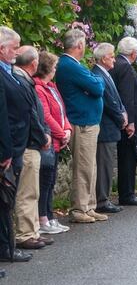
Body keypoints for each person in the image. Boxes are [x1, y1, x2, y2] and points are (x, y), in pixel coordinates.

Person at [56, 29, 107, 224]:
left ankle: (89, 205)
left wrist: (94, 82)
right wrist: (97, 81)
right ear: (79, 45)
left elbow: (94, 86)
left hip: (88, 121)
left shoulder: (74, 65)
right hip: (82, 122)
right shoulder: (70, 65)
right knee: (83, 167)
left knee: (90, 166)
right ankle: (79, 208)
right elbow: (97, 87)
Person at [12, 46, 52, 248]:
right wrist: (42, 135)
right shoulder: (20, 80)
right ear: (34, 63)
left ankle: (33, 230)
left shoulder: (23, 80)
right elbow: (30, 114)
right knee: (27, 192)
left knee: (32, 191)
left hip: (31, 141)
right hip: (28, 143)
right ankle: (25, 234)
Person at [0, 29, 32, 261]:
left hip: (16, 144)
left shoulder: (9, 71)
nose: (17, 51)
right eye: (14, 46)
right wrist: (6, 151)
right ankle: (5, 248)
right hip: (8, 147)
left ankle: (6, 247)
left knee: (7, 200)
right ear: (2, 48)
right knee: (4, 200)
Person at [33, 51, 72, 234]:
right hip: (50, 141)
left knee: (50, 181)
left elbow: (62, 112)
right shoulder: (39, 88)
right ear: (47, 68)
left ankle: (49, 216)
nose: (55, 69)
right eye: (54, 66)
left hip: (58, 139)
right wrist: (60, 132)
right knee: (44, 181)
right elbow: (46, 116)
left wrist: (68, 130)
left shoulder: (52, 87)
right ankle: (43, 218)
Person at [109, 37, 137, 206]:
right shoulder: (124, 66)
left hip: (127, 120)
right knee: (129, 158)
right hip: (131, 122)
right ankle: (127, 194)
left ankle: (127, 192)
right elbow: (127, 96)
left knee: (128, 156)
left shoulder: (118, 64)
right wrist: (130, 122)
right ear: (133, 53)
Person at [91, 43, 127, 214]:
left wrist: (123, 112)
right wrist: (120, 118)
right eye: (112, 56)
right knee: (104, 164)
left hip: (110, 126)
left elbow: (116, 98)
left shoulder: (105, 73)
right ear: (104, 58)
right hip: (105, 127)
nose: (114, 59)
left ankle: (104, 197)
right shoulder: (98, 74)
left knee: (107, 163)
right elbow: (108, 101)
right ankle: (102, 199)